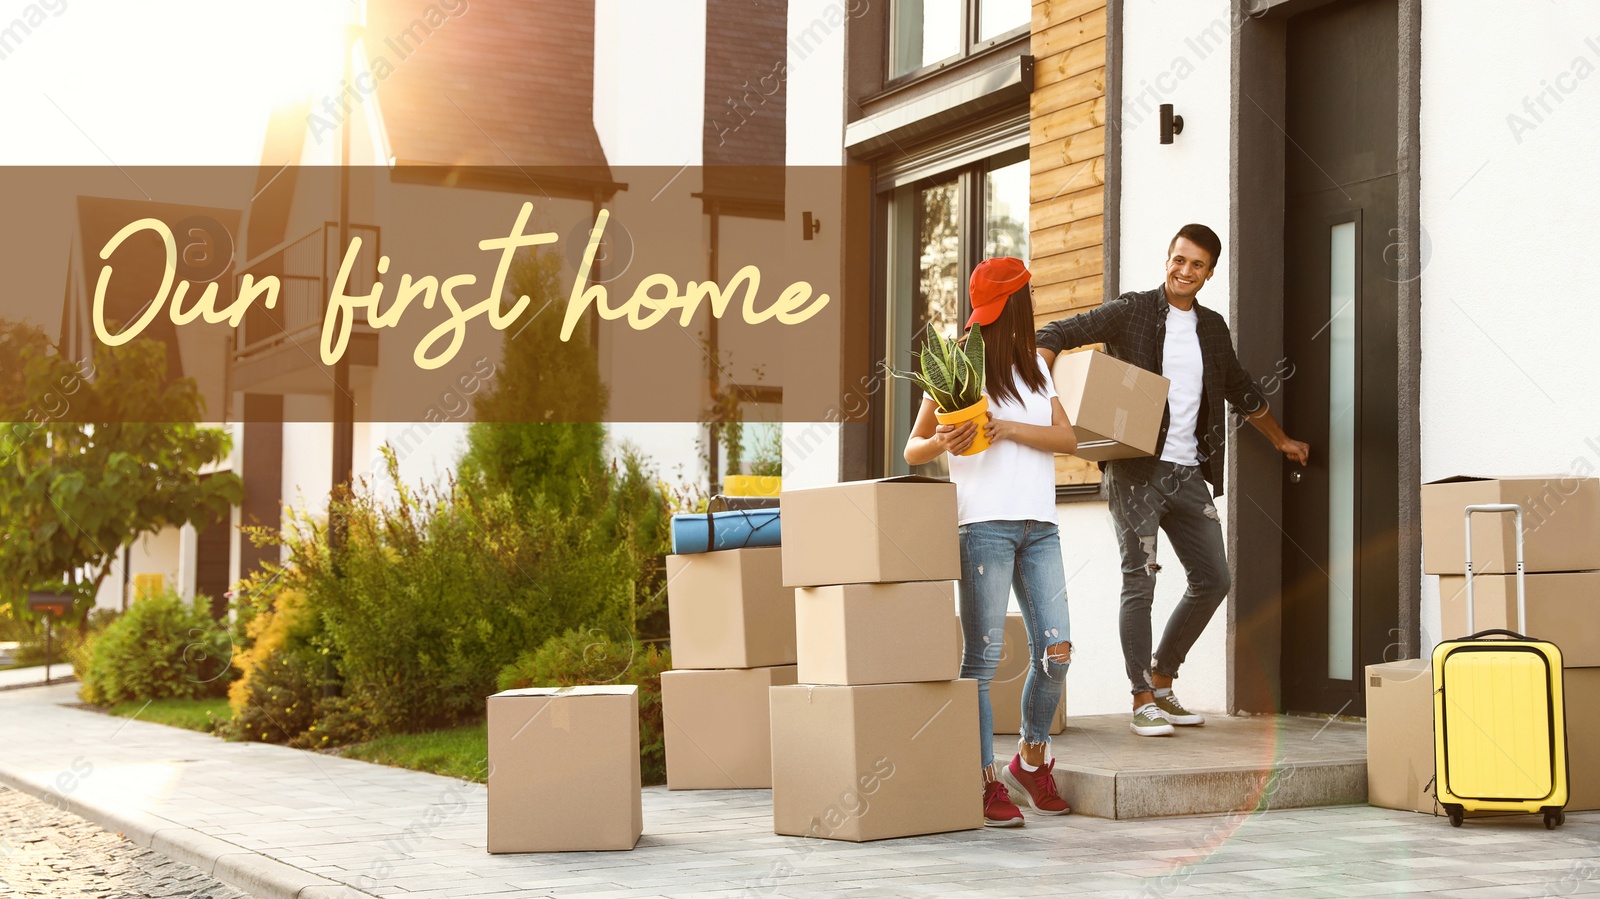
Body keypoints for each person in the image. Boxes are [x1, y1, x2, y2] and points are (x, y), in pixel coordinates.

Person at [1036, 224, 1310, 737]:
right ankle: (1141, 698)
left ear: (1209, 274)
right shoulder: (1132, 310)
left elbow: (1240, 388)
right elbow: (1058, 332)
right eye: (1178, 260)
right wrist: (1043, 373)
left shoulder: (1212, 328)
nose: (1184, 271)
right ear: (1168, 259)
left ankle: (1162, 680)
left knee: (1214, 579)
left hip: (1189, 473)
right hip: (1135, 470)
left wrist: (1280, 440)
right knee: (1140, 580)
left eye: (1197, 265)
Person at [903, 257, 1079, 828]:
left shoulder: (1035, 366)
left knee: (1057, 653)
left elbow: (1068, 437)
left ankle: (1029, 761)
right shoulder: (955, 362)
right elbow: (914, 449)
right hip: (983, 527)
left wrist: (1008, 429)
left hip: (1040, 528)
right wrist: (944, 440)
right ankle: (984, 783)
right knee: (979, 662)